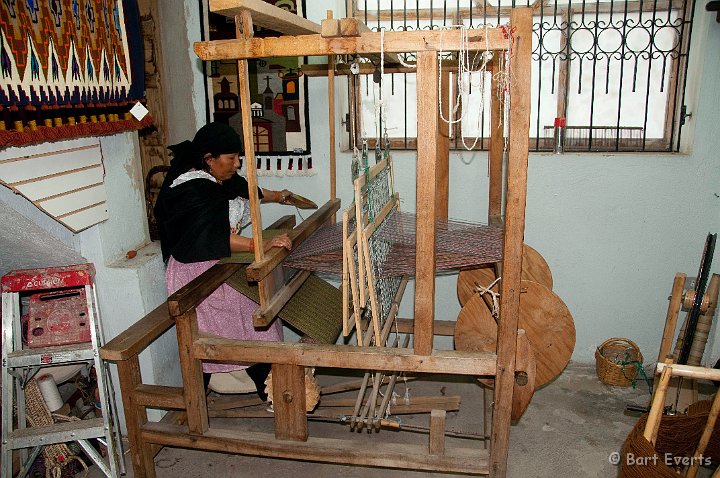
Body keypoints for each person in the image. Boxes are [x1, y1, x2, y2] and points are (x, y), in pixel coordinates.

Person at [154, 122, 294, 400]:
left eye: (238, 157)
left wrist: (281, 196)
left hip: (214, 264)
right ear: (209, 159)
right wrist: (260, 244)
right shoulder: (194, 190)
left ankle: (266, 384)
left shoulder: (216, 178)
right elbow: (211, 235)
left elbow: (244, 189)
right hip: (194, 275)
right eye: (231, 158)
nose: (237, 164)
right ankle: (272, 392)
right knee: (251, 316)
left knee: (255, 310)